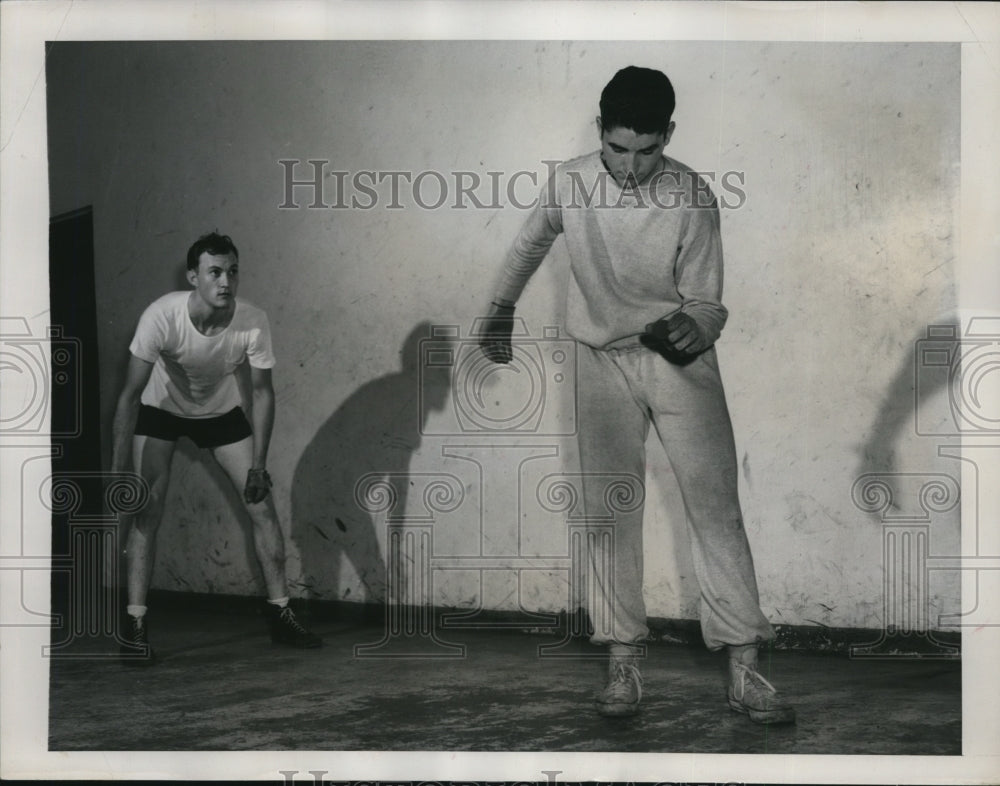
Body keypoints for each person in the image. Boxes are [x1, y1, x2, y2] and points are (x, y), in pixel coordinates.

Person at [479, 66, 794, 724]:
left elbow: (708, 301)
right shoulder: (568, 181)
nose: (630, 165)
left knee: (716, 511)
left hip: (679, 363)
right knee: (609, 512)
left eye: (647, 150)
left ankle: (745, 671)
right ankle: (622, 665)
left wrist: (696, 323)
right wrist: (501, 306)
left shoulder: (692, 195)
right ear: (601, 131)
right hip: (600, 362)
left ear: (668, 135)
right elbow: (530, 240)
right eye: (618, 148)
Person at [111, 231, 321, 664]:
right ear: (194, 277)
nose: (226, 281)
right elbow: (129, 397)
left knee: (261, 506)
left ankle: (281, 614)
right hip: (161, 410)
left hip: (221, 414)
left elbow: (262, 393)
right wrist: (118, 475)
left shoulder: (253, 319)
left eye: (232, 271)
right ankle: (134, 625)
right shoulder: (161, 316)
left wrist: (259, 466)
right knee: (147, 508)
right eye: (214, 272)